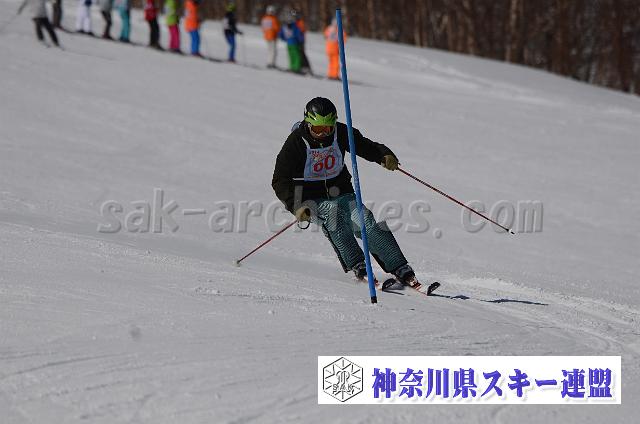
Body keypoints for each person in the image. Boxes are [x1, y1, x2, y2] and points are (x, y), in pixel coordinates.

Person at [271, 97, 419, 285]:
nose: (323, 134)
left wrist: (384, 155)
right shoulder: (296, 142)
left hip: (341, 191)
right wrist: (295, 205)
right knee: (333, 216)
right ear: (308, 123)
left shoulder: (340, 132)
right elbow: (280, 180)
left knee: (366, 221)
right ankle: (358, 264)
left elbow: (365, 146)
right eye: (318, 129)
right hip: (311, 198)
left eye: (328, 129)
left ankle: (399, 266)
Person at [292, 9, 311, 74]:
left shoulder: (300, 22)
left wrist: (299, 38)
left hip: (300, 41)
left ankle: (306, 67)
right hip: (296, 41)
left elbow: (301, 31)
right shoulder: (296, 22)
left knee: (301, 53)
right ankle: (300, 66)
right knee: (298, 53)